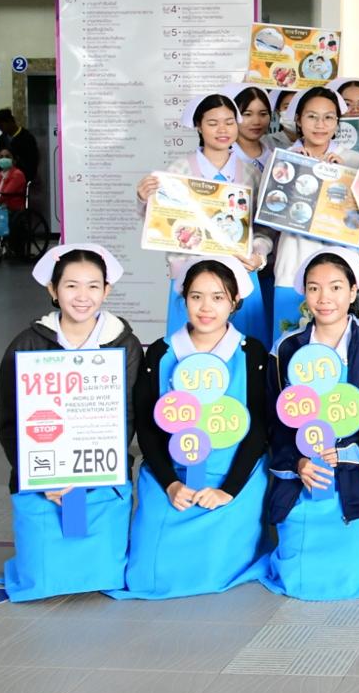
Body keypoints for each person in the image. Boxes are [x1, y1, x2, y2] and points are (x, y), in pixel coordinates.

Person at [113, 255, 271, 599]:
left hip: (234, 477)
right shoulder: (161, 352)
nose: (206, 307)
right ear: (183, 298)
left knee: (216, 566)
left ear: (235, 301)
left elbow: (259, 428)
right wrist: (170, 484)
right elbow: (147, 426)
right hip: (170, 477)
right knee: (149, 573)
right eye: (196, 296)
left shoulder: (251, 353)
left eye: (218, 297)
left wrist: (228, 489)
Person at [0, 244, 144, 601]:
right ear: (53, 289)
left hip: (102, 475)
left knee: (104, 570)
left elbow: (127, 417)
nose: (82, 296)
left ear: (106, 290)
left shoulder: (125, 345)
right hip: (43, 480)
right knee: (41, 575)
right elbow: (10, 419)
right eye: (71, 285)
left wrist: (89, 473)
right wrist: (41, 476)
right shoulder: (27, 344)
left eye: (93, 286)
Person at [263, 249, 359, 601]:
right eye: (314, 288)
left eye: (335, 287)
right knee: (300, 575)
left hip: (358, 479)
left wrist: (352, 453)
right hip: (304, 478)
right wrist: (298, 462)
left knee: (358, 572)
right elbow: (275, 423)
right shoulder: (286, 349)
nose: (324, 298)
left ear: (353, 292)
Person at [135, 93, 271, 345]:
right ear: (198, 125)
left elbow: (264, 229)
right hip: (191, 278)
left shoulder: (251, 173)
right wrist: (145, 200)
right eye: (213, 123)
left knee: (245, 351)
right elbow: (162, 224)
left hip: (240, 277)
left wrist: (258, 256)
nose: (223, 130)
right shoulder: (178, 171)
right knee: (189, 349)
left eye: (229, 122)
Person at [269, 87, 359, 338]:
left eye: (328, 117)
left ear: (337, 122)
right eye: (312, 116)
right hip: (292, 266)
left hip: (341, 266)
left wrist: (345, 177)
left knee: (338, 341)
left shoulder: (354, 161)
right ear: (298, 120)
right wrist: (292, 173)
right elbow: (271, 218)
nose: (320, 125)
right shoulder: (283, 159)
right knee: (288, 340)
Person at [231, 85, 275, 177]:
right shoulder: (223, 158)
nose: (256, 122)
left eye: (263, 114)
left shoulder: (275, 156)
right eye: (247, 114)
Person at [0, 108, 39, 185]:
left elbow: (32, 162)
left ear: (9, 121)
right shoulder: (2, 139)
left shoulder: (27, 138)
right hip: (4, 176)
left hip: (22, 178)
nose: (0, 129)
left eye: (1, 126)